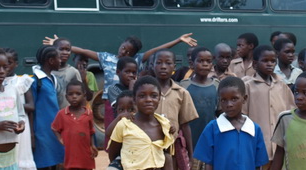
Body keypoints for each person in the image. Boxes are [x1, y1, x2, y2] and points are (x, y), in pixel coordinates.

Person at [44, 32, 197, 128]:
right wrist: (57, 46)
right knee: (112, 133)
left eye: (128, 51)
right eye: (123, 47)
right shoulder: (106, 58)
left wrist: (178, 40)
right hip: (111, 103)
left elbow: (156, 50)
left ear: (134, 54)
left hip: (130, 104)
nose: (124, 51)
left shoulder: (136, 60)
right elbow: (84, 51)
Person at [242, 44, 295, 170]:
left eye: (273, 61)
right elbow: (243, 115)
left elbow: (291, 111)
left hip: (280, 147)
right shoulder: (247, 85)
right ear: (255, 63)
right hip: (257, 146)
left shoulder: (282, 85)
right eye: (265, 60)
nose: (270, 64)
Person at [181, 47, 219, 170]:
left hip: (213, 148)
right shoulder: (184, 87)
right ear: (192, 64)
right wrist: (187, 147)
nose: (205, 64)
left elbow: (220, 115)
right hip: (192, 146)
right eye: (200, 61)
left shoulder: (217, 86)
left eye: (208, 61)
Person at [24, 46, 65, 170]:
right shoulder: (35, 82)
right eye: (57, 58)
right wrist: (32, 134)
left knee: (48, 168)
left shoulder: (51, 79)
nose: (61, 60)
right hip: (40, 131)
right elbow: (30, 110)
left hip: (51, 131)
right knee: (41, 168)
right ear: (50, 61)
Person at [3, 48, 38, 170]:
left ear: (16, 64)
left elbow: (31, 106)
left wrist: (9, 104)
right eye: (2, 63)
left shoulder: (21, 82)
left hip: (21, 128)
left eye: (9, 62)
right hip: (4, 128)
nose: (6, 66)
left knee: (22, 162)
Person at [51, 38, 83, 107]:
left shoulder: (73, 72)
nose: (65, 53)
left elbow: (81, 95)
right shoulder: (48, 71)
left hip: (66, 114)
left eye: (68, 50)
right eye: (61, 49)